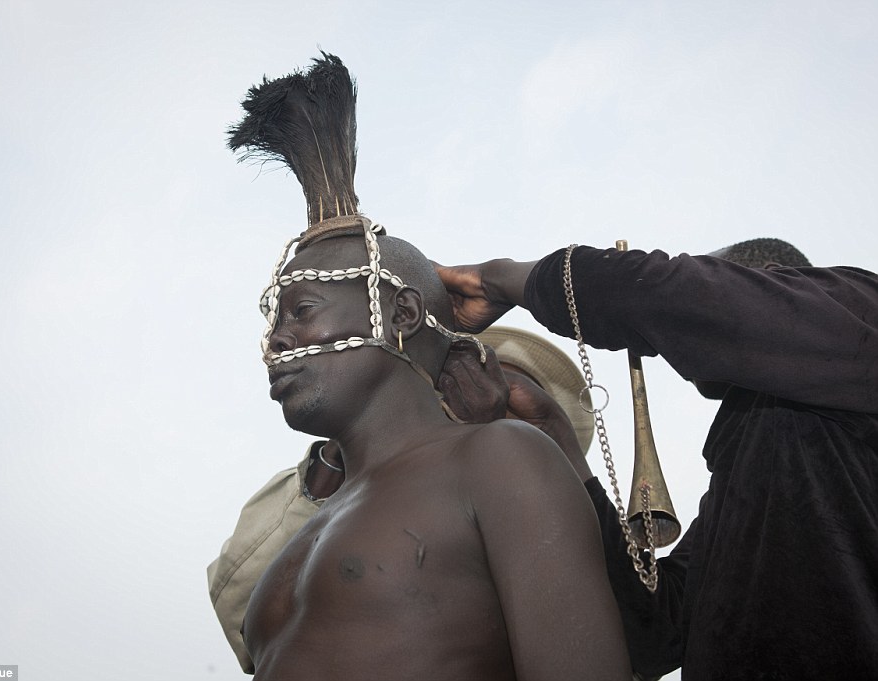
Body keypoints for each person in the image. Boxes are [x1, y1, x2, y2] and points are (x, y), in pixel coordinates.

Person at [220, 53, 632, 680]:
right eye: (275, 319)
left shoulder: (500, 460)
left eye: (301, 310)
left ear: (403, 314)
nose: (276, 341)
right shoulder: (299, 535)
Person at [435, 237, 878, 680]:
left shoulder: (859, 310)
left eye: (717, 278)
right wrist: (555, 435)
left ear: (772, 277)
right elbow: (656, 632)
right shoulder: (751, 475)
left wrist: (500, 280)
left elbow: (677, 296)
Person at [207, 327, 595, 674]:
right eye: (462, 381)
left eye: (507, 396)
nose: (480, 397)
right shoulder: (332, 491)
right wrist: (347, 447)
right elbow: (238, 608)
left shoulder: (528, 481)